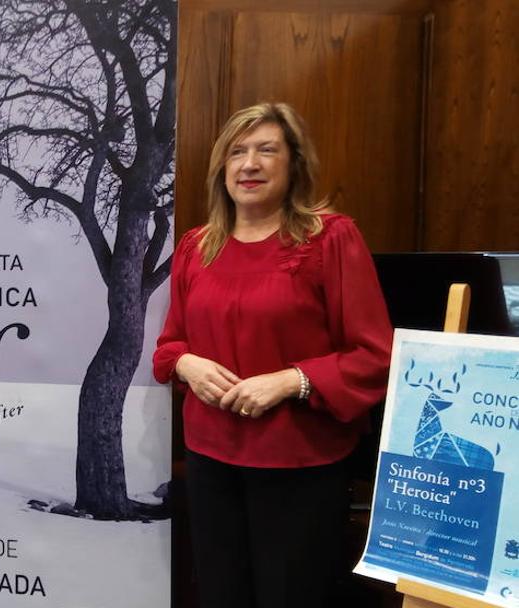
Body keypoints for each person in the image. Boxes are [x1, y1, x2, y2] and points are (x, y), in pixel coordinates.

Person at [153, 102, 392, 608]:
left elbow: (376, 354)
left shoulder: (330, 239)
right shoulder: (196, 248)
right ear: (222, 168)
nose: (249, 164)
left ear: (294, 164)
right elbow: (169, 345)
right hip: (210, 461)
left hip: (300, 465)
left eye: (266, 150)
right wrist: (186, 364)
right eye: (237, 152)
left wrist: (291, 380)